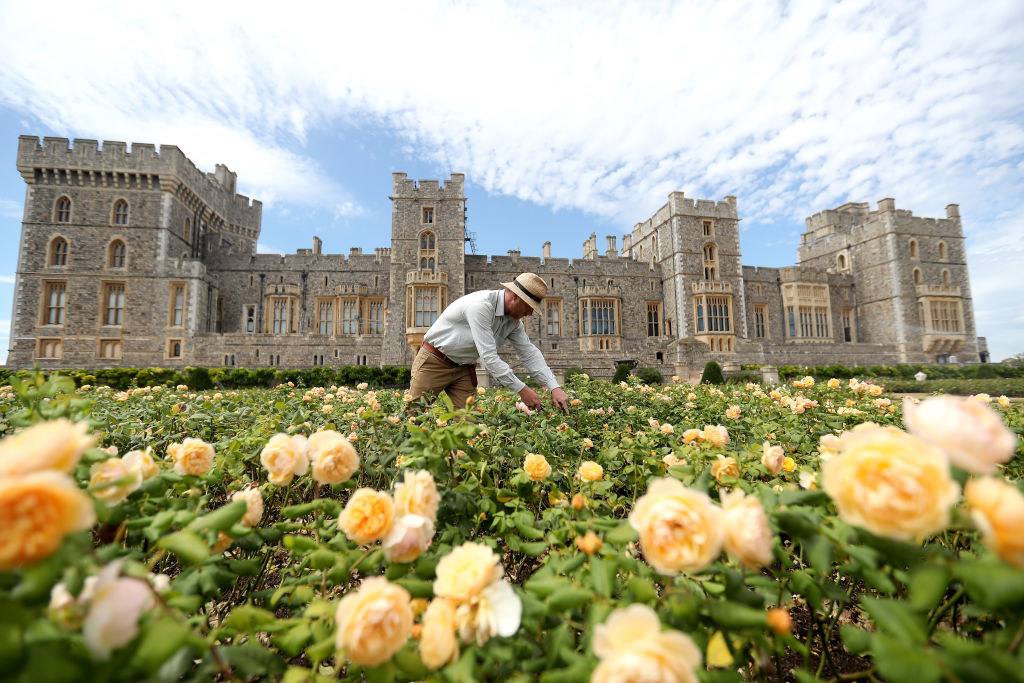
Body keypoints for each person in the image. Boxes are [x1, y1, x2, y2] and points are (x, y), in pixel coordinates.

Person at [409, 272, 570, 414]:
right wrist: (522, 389)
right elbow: (488, 358)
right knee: (413, 417)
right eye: (529, 306)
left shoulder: (514, 322)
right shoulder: (481, 306)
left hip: (464, 368)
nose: (529, 313)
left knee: (470, 429)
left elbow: (529, 353)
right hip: (434, 362)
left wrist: (554, 386)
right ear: (515, 296)